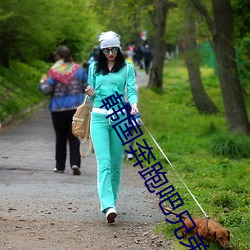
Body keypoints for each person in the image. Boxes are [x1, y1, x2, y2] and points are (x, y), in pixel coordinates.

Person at [85, 31, 138, 223]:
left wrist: (133, 104)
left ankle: (112, 201)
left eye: (114, 49)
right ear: (101, 50)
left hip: (119, 119)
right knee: (104, 163)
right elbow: (91, 96)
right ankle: (107, 205)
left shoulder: (127, 68)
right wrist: (90, 92)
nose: (110, 53)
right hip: (98, 118)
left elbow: (131, 90)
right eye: (106, 50)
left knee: (116, 164)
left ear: (119, 48)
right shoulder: (93, 68)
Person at [39, 45, 88, 175]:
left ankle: (60, 166)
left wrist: (42, 83)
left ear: (58, 57)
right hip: (75, 109)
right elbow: (86, 87)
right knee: (74, 137)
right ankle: (75, 163)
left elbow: (47, 90)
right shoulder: (79, 70)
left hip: (58, 109)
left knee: (60, 138)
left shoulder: (54, 71)